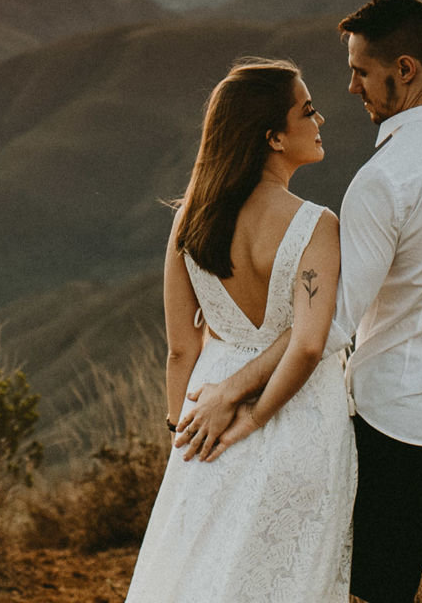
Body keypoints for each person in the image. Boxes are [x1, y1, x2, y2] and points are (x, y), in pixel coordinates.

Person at [174, 0, 422, 603]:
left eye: (361, 71)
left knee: (380, 589)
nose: (352, 88)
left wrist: (235, 388)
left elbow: (331, 324)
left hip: (392, 429)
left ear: (405, 70)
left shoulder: (383, 180)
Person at [124, 57, 356, 603]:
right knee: (289, 582)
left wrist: (184, 435)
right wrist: (253, 417)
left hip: (206, 413)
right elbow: (307, 344)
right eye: (308, 110)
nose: (320, 120)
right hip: (302, 420)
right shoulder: (317, 226)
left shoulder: (190, 221)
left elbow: (181, 349)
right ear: (274, 136)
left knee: (200, 580)